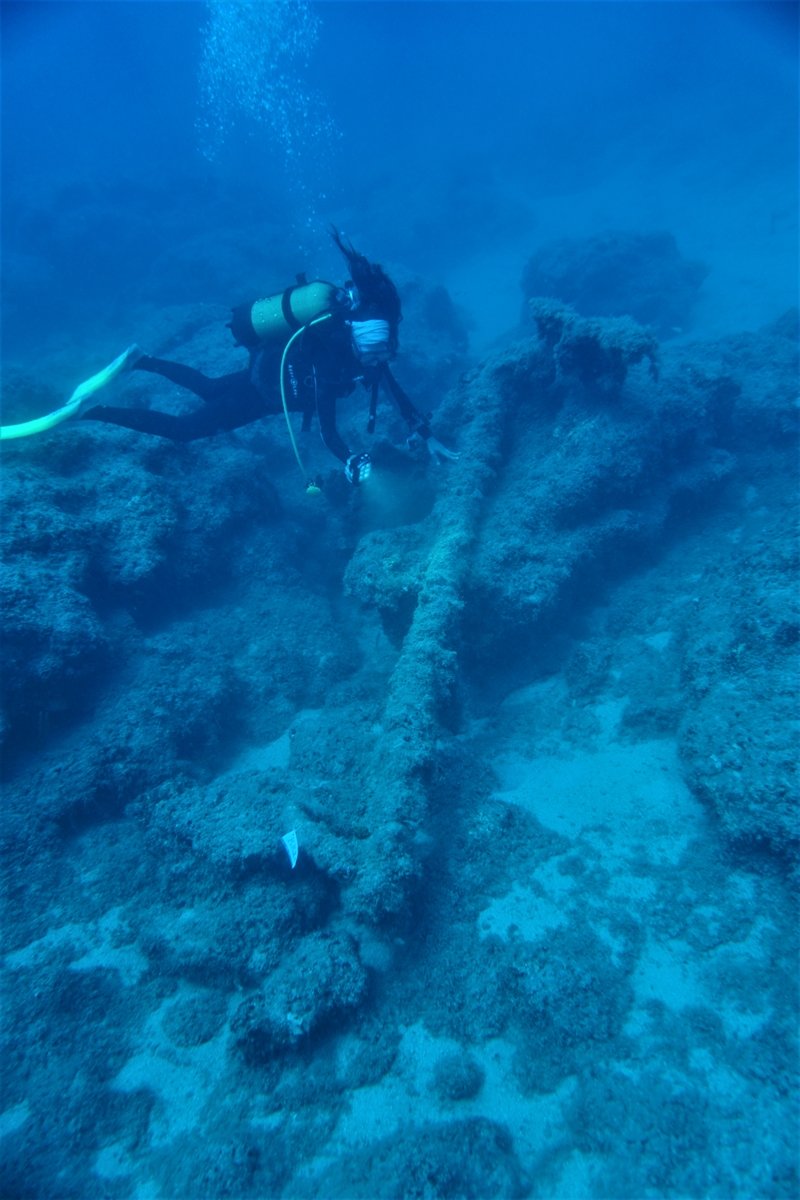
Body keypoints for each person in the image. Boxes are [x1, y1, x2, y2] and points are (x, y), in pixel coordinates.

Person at [79, 229, 458, 486]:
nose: (376, 365)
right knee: (183, 430)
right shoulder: (331, 365)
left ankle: (141, 361)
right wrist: (349, 459)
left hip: (264, 366)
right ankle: (94, 411)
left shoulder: (356, 347)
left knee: (209, 388)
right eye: (373, 357)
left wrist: (427, 436)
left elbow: (395, 393)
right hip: (261, 395)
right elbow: (328, 432)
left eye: (378, 358)